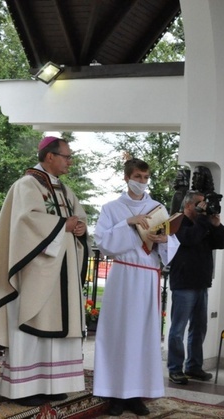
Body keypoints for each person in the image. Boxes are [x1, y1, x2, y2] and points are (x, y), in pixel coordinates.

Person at [0, 136, 90, 406]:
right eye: (66, 156)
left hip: (63, 272)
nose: (70, 161)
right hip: (35, 272)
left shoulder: (64, 190)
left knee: (58, 326)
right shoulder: (27, 185)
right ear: (50, 157)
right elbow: (25, 222)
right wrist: (63, 226)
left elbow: (77, 218)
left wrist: (80, 229)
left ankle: (53, 384)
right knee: (31, 322)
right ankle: (24, 388)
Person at [93, 157, 179, 416]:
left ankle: (136, 394)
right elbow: (104, 242)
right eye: (137, 177)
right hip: (123, 276)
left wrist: (164, 239)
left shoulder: (157, 207)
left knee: (142, 335)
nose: (142, 182)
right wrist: (129, 223)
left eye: (145, 177)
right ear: (126, 177)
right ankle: (114, 395)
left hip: (147, 277)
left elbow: (170, 244)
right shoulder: (111, 208)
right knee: (118, 333)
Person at [167, 190, 224, 384]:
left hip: (201, 284)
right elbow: (190, 239)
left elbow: (221, 243)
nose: (203, 208)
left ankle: (194, 366)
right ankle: (175, 368)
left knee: (199, 328)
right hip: (183, 284)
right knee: (178, 329)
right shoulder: (177, 222)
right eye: (199, 204)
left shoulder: (203, 224)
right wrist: (204, 220)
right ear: (187, 206)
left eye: (204, 204)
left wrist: (217, 226)